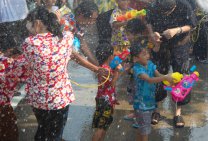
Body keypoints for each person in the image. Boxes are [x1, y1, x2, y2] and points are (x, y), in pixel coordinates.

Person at [22, 7, 104, 141]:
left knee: (43, 129)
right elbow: (74, 55)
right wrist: (95, 68)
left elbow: (28, 65)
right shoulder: (66, 38)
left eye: (29, 23)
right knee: (56, 132)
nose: (28, 27)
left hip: (39, 98)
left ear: (36, 23)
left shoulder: (30, 43)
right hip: (60, 97)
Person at [146, 0, 196, 128]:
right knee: (158, 74)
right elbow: (148, 22)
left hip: (180, 45)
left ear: (174, 7)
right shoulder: (154, 6)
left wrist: (177, 30)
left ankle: (178, 112)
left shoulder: (184, 5)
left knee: (181, 76)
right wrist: (152, 34)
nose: (164, 14)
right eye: (162, 11)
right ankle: (156, 110)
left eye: (167, 12)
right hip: (160, 45)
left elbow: (192, 25)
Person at [130, 41, 173, 141]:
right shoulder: (137, 69)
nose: (148, 56)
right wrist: (165, 77)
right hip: (141, 105)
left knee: (142, 128)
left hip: (149, 102)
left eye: (147, 53)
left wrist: (170, 79)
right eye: (144, 54)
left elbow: (159, 75)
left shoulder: (150, 64)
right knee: (145, 130)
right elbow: (149, 80)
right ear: (136, 58)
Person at [0, 37, 29, 141]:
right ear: (9, 50)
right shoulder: (9, 63)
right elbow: (26, 72)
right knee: (9, 132)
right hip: (3, 105)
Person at [91, 43, 122, 141]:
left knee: (104, 126)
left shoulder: (103, 67)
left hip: (104, 100)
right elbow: (112, 83)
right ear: (109, 56)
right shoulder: (106, 70)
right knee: (101, 128)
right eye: (113, 54)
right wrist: (117, 71)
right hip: (106, 102)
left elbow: (109, 86)